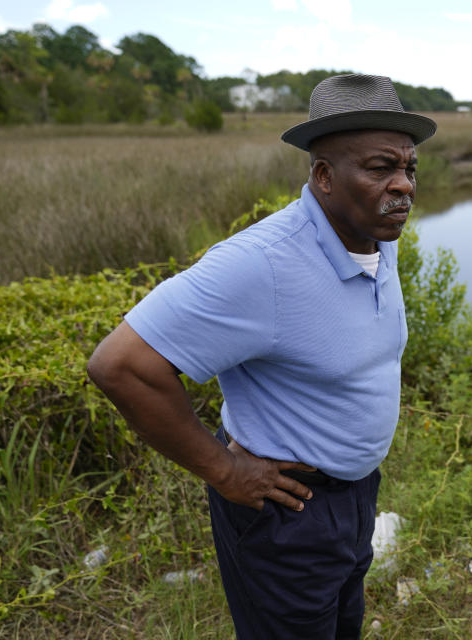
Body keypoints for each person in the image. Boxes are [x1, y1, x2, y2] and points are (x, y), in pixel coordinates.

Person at [87, 74, 437, 639]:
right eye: (380, 169)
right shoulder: (262, 265)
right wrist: (225, 470)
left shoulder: (373, 236)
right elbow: (121, 365)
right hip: (287, 515)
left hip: (355, 499)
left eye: (409, 169)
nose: (404, 187)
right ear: (323, 176)